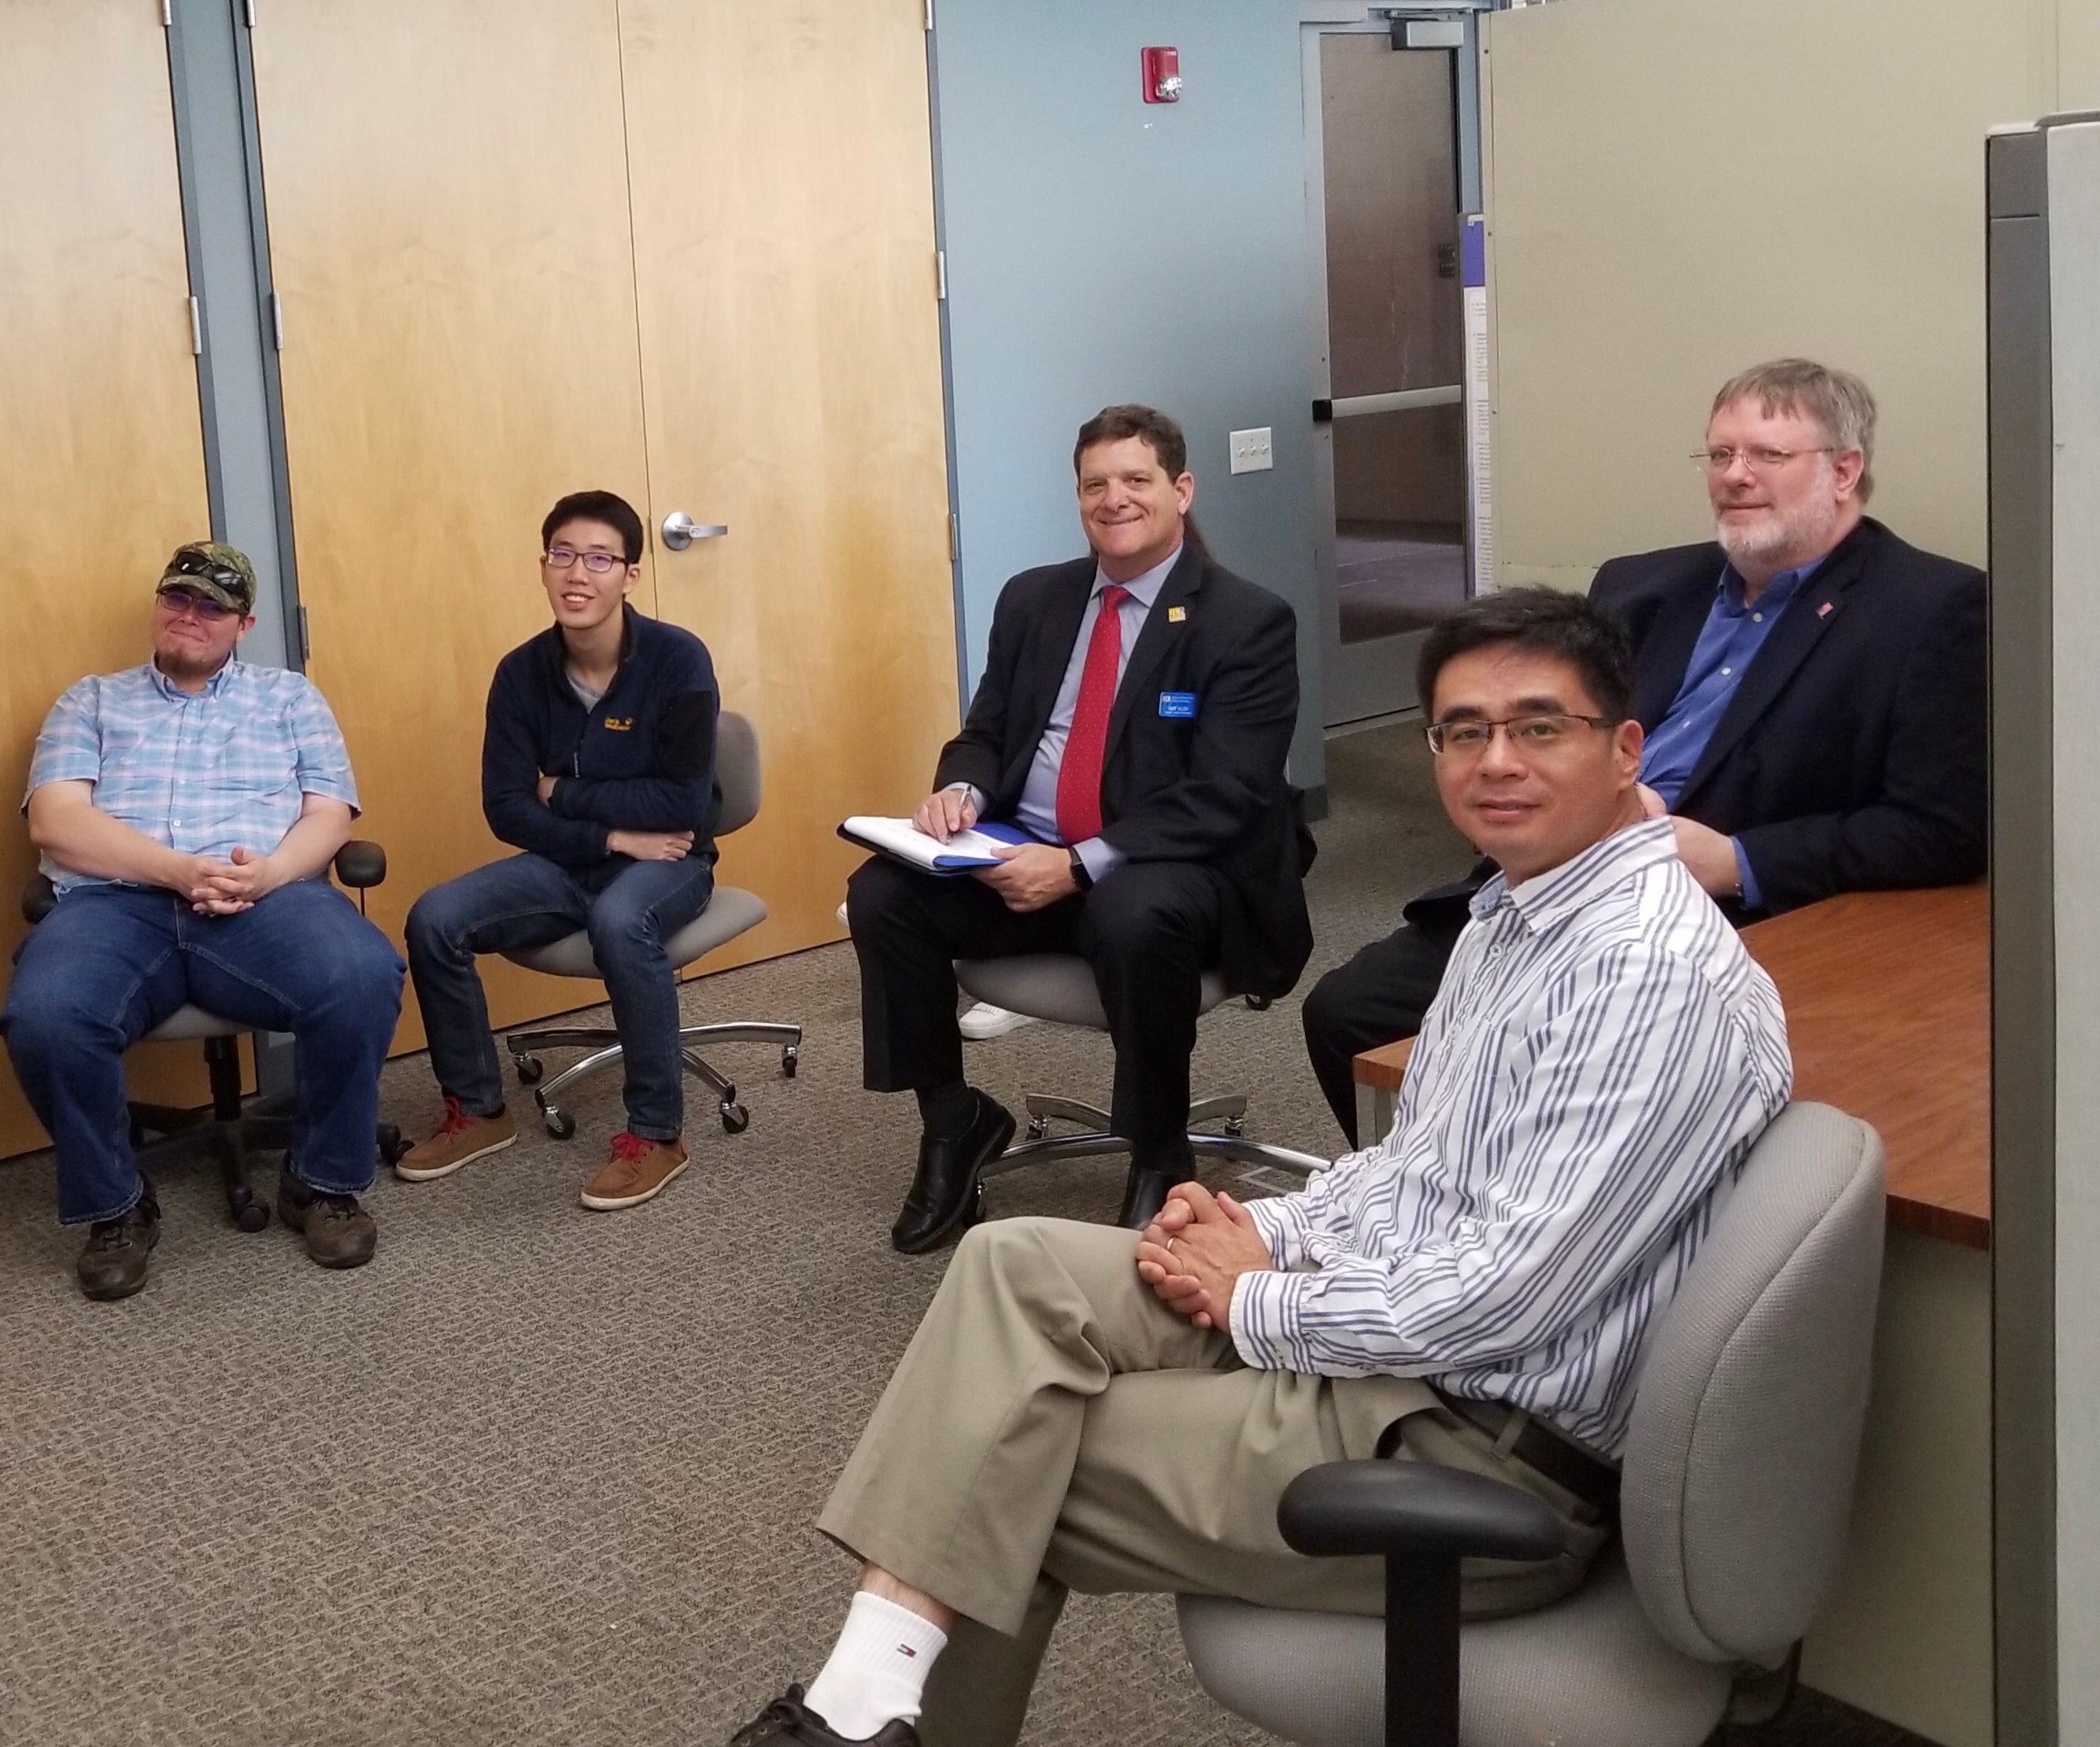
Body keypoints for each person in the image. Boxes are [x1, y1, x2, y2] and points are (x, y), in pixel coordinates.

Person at [724, 588, 1792, 1747]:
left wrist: (1256, 1300)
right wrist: (1264, 1226)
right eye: (1463, 731)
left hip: (1479, 1446)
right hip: (1404, 1352)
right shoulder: (1517, 912)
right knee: (1011, 1262)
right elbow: (1417, 1167)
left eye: (1539, 726)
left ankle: (856, 1719)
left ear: (1624, 748)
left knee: (1004, 1461)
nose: (1496, 760)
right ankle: (862, 1709)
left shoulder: (1644, 973)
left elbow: (1506, 1296)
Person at [1301, 359, 1986, 1143]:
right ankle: (1446, 1187)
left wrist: (1735, 859)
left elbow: (1941, 830)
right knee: (1349, 1013)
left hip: (1734, 916)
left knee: (1585, 1061)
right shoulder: (1639, 586)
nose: (1735, 475)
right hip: (1555, 881)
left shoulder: (1929, 608)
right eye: (1720, 454)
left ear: (1844, 471)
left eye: (1766, 454)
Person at [848, 404, 1315, 1248]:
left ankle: (1161, 1150)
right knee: (884, 893)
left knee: (1133, 911)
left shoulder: (1245, 620)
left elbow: (1228, 795)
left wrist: (1077, 864)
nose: (1114, 499)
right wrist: (960, 791)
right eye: (1095, 484)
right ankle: (953, 1121)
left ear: (1181, 490)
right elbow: (988, 732)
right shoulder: (1035, 598)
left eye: (1136, 479)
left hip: (1176, 870)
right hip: (1022, 853)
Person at [0, 541, 404, 1301]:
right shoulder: (90, 701)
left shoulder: (289, 699)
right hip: (117, 903)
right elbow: (56, 821)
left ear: (244, 625)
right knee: (44, 1015)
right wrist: (178, 870)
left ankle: (320, 1183)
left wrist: (270, 873)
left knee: (362, 974)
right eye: (177, 598)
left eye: (212, 607)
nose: (190, 615)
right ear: (158, 606)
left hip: (267, 898)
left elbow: (329, 814)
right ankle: (118, 1207)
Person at [397, 492, 721, 1211]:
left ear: (630, 576)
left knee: (619, 921)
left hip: (670, 861)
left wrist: (563, 792)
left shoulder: (677, 659)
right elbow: (506, 807)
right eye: (563, 555)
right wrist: (608, 835)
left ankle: (657, 1134)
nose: (578, 574)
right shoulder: (520, 673)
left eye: (600, 559)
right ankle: (478, 1110)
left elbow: (681, 805)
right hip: (573, 861)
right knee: (435, 919)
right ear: (543, 566)